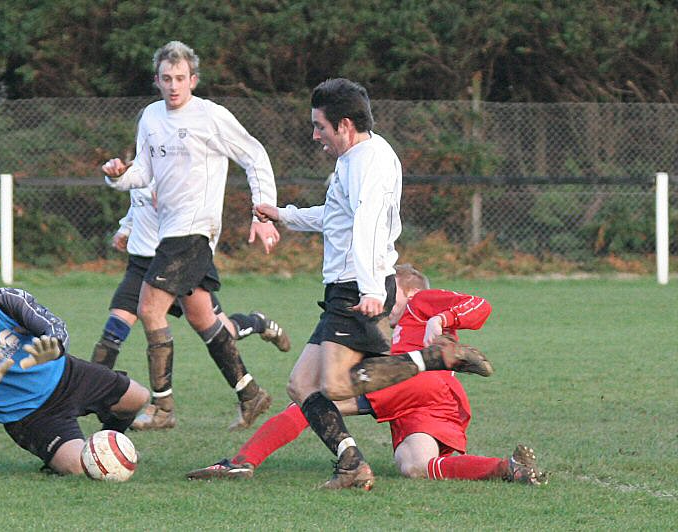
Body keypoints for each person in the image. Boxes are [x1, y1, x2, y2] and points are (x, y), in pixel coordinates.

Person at [253, 78, 493, 490]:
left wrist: (369, 290)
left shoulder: (370, 160)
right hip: (342, 288)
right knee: (301, 385)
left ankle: (436, 360)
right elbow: (336, 219)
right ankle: (351, 463)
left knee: (334, 385)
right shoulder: (353, 160)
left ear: (344, 125)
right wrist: (284, 215)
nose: (315, 135)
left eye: (320, 126)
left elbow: (366, 226)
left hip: (356, 287)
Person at [186, 265, 546, 485]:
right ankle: (508, 468)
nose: (386, 307)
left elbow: (481, 305)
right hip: (431, 399)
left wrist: (442, 319)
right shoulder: (384, 329)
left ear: (411, 290)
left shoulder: (422, 302)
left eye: (393, 297)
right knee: (415, 466)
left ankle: (241, 462)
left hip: (420, 380)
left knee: (313, 401)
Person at [101, 41, 280, 432]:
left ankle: (163, 408)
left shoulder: (211, 117)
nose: (173, 85)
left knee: (149, 309)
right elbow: (143, 174)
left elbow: (255, 155)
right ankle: (251, 395)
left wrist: (263, 210)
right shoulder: (149, 117)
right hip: (171, 233)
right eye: (166, 78)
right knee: (203, 319)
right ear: (157, 81)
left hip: (194, 229)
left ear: (193, 80)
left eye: (180, 78)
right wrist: (117, 176)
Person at [0, 248, 150, 475]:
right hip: (30, 415)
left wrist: (54, 347)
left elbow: (55, 326)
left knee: (138, 397)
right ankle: (63, 458)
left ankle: (111, 447)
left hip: (67, 375)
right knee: (80, 467)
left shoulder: (7, 299)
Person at [91, 186, 291, 431]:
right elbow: (137, 201)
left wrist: (167, 196)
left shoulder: (179, 161)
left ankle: (257, 326)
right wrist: (126, 228)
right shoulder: (146, 158)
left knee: (218, 327)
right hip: (142, 262)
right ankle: (91, 394)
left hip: (178, 256)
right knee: (114, 331)